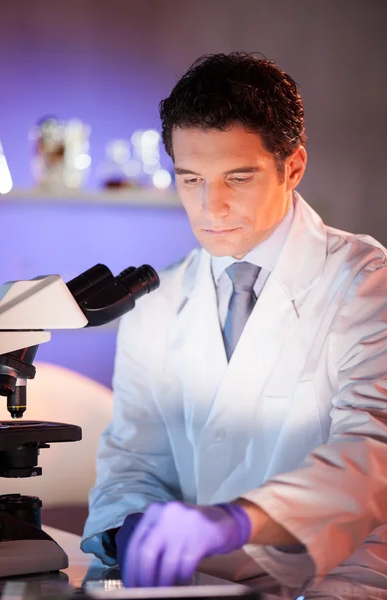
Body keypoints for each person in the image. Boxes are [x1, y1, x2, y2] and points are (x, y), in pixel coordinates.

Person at [81, 53, 387, 596]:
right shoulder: (157, 300)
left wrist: (237, 521)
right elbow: (133, 459)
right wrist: (129, 529)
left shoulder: (366, 283)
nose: (210, 206)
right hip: (198, 583)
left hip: (340, 578)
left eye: (237, 178)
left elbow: (370, 454)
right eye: (191, 178)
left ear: (292, 168)